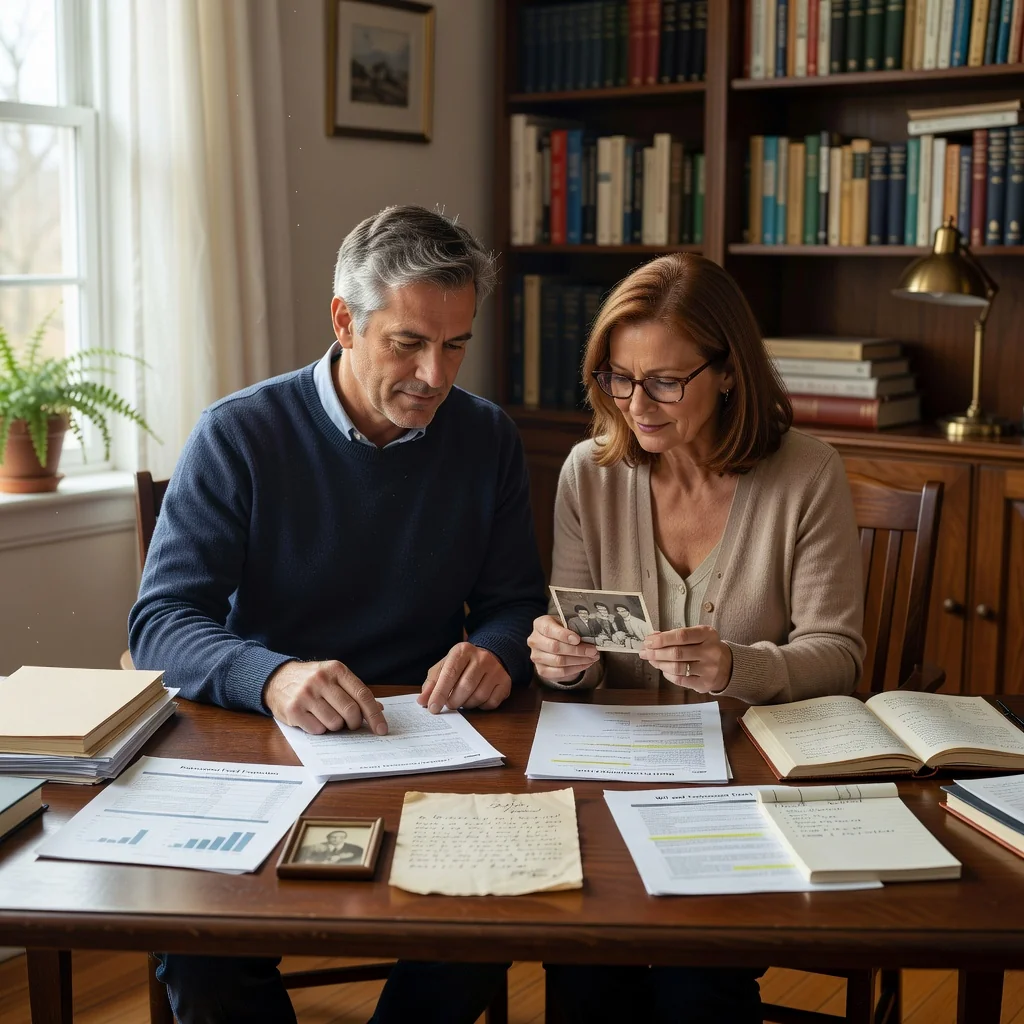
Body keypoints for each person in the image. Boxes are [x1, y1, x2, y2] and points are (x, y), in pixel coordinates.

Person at [129, 205, 546, 1024]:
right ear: (344, 321)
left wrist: (496, 651)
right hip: (259, 749)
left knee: (497, 906)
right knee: (201, 948)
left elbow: (515, 604)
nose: (436, 374)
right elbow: (161, 623)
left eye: (456, 344)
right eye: (409, 342)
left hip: (426, 746)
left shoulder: (486, 437)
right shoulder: (239, 433)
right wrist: (274, 674)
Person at [526, 253, 866, 1023]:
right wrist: (563, 662)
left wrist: (735, 665)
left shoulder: (808, 474)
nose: (636, 404)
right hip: (609, 781)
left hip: (751, 791)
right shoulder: (589, 472)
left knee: (695, 985)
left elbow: (839, 656)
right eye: (619, 376)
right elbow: (574, 651)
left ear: (728, 374)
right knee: (581, 969)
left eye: (664, 382)